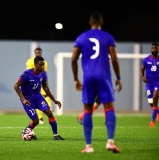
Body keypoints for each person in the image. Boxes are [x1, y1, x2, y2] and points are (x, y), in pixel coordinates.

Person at [71, 11, 122, 153]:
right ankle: (110, 142)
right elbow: (115, 59)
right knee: (109, 108)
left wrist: (76, 79)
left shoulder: (82, 37)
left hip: (88, 77)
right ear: (102, 22)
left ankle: (88, 146)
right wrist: (118, 77)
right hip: (104, 76)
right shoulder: (108, 37)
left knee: (87, 110)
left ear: (90, 22)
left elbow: (74, 59)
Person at [14, 56, 65, 140]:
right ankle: (27, 130)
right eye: (40, 65)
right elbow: (16, 86)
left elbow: (46, 88)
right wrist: (23, 99)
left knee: (49, 112)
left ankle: (56, 135)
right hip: (28, 100)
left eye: (43, 65)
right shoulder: (26, 74)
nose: (42, 67)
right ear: (35, 65)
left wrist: (54, 100)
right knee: (36, 121)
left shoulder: (43, 74)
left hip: (38, 97)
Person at [26, 47, 52, 124]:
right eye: (37, 52)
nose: (38, 53)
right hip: (33, 83)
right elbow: (29, 72)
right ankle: (40, 118)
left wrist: (45, 82)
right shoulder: (30, 61)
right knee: (36, 99)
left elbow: (44, 73)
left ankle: (49, 114)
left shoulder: (44, 62)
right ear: (35, 53)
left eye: (39, 52)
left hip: (41, 82)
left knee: (47, 97)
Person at [140, 42, 159, 127]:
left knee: (155, 99)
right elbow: (142, 70)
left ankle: (152, 122)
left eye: (156, 48)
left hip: (157, 83)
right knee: (151, 102)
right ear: (151, 49)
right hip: (149, 83)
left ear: (158, 49)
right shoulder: (146, 60)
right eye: (153, 48)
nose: (154, 49)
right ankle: (157, 112)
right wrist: (143, 77)